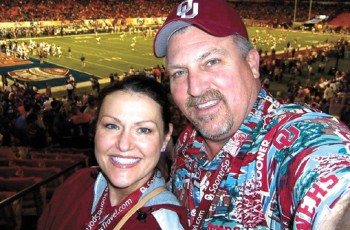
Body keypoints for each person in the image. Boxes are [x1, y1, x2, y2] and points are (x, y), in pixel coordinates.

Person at [153, 0, 350, 229]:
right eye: (179, 72)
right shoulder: (188, 142)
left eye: (212, 61)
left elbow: (332, 182)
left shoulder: (296, 138)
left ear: (252, 63)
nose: (194, 87)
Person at [38, 75, 189, 229]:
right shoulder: (77, 183)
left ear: (165, 138)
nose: (123, 144)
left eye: (143, 130)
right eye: (112, 126)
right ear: (96, 128)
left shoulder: (162, 223)